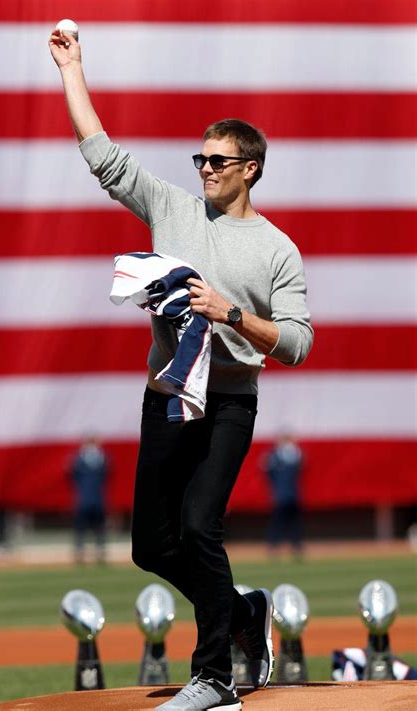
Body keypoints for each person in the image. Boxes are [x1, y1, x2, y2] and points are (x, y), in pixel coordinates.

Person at [49, 27, 313, 711]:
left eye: (218, 160)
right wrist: (73, 69)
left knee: (201, 524)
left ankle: (216, 676)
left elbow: (297, 342)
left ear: (250, 167)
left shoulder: (277, 249)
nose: (205, 168)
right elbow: (102, 157)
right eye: (201, 157)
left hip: (228, 401)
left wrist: (230, 313)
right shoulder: (170, 206)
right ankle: (245, 612)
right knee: (149, 545)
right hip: (167, 396)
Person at [263, 434, 304, 558]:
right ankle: (273, 546)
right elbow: (269, 473)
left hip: (293, 494)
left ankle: (296, 546)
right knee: (278, 522)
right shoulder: (274, 456)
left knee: (294, 523)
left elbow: (300, 469)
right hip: (280, 495)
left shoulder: (295, 455)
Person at [69, 436, 108, 564]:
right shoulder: (78, 460)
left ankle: (100, 551)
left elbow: (107, 475)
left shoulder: (103, 459)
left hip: (98, 499)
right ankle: (79, 551)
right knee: (80, 527)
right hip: (83, 499)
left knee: (99, 527)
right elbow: (72, 476)